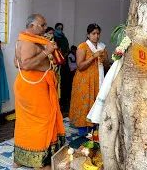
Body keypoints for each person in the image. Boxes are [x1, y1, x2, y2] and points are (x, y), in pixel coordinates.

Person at [13, 14, 65, 169]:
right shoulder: (28, 42)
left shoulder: (23, 39)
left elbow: (17, 63)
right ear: (31, 26)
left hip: (30, 86)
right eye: (42, 25)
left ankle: (21, 158)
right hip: (33, 88)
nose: (45, 28)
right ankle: (39, 161)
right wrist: (46, 52)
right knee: (42, 122)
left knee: (26, 123)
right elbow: (26, 65)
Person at [69, 24, 110, 135]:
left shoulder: (103, 47)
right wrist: (93, 57)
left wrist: (104, 60)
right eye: (93, 34)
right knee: (84, 105)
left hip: (99, 81)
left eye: (98, 33)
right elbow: (80, 66)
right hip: (84, 82)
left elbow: (107, 66)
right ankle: (82, 134)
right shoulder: (82, 47)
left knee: (97, 105)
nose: (96, 36)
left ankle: (94, 132)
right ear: (88, 35)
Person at [54, 23, 70, 110]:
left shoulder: (64, 38)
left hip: (64, 63)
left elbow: (67, 49)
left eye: (61, 28)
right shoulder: (53, 38)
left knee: (64, 82)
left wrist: (63, 56)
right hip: (56, 63)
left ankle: (63, 103)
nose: (60, 29)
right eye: (58, 28)